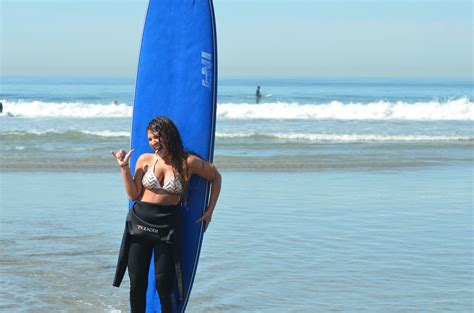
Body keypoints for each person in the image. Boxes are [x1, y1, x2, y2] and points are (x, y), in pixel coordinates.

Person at [111, 116, 222, 313]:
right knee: (137, 284)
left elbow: (216, 177)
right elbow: (133, 194)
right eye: (150, 139)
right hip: (139, 223)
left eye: (157, 137)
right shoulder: (145, 159)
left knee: (164, 284)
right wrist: (124, 168)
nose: (154, 142)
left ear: (169, 136)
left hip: (167, 227)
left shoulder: (189, 162)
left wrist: (210, 211)